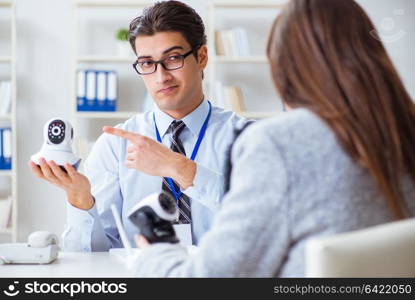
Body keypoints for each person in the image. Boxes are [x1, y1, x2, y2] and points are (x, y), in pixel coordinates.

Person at [129, 0, 415, 277]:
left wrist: (156, 251)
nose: (161, 75)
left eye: (173, 58)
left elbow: (211, 279)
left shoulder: (276, 144)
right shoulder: (402, 129)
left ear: (285, 68)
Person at [28, 0, 249, 251]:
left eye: (173, 58)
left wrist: (178, 167)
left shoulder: (246, 137)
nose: (161, 76)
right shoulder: (115, 144)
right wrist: (80, 199)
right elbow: (94, 256)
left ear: (201, 57)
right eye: (147, 63)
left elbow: (265, 217)